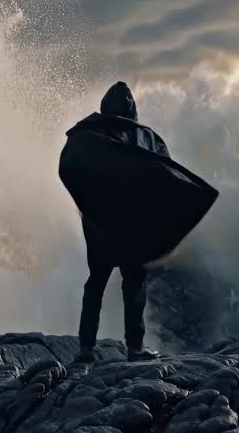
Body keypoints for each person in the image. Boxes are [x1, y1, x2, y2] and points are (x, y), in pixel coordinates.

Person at [67, 82, 162, 363]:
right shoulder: (145, 137)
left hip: (98, 222)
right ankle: (135, 348)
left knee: (96, 282)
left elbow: (71, 167)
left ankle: (86, 348)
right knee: (134, 284)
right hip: (133, 224)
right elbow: (163, 177)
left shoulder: (87, 134)